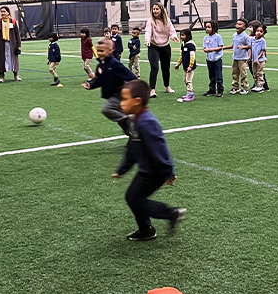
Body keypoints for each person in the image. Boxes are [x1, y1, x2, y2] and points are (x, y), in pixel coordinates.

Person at [112, 79, 185, 241]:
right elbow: (132, 147)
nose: (121, 103)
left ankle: (170, 213)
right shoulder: (136, 120)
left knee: (134, 198)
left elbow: (160, 148)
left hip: (155, 171)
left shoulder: (147, 122)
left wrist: (169, 171)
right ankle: (146, 229)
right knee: (134, 197)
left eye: (124, 99)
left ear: (137, 101)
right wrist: (122, 169)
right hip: (147, 170)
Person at [83, 38, 138, 136]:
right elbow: (99, 80)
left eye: (102, 51)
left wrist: (137, 87)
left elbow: (130, 76)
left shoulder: (114, 64)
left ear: (110, 50)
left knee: (107, 109)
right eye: (98, 50)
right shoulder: (100, 66)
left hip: (119, 94)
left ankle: (126, 119)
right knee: (124, 125)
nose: (99, 53)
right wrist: (90, 84)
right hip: (111, 95)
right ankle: (135, 138)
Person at [144, 2, 180, 98]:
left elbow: (171, 31)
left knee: (166, 68)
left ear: (161, 10)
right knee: (154, 67)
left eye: (157, 9)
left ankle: (167, 86)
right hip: (153, 46)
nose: (155, 11)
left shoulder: (167, 20)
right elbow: (148, 32)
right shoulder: (150, 21)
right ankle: (152, 89)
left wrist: (174, 37)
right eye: (154, 9)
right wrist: (147, 41)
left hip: (165, 46)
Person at [0, 6, 21, 83]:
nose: (2, 13)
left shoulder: (13, 22)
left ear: (8, 12)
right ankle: (1, 76)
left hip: (12, 44)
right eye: (1, 12)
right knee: (1, 60)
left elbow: (17, 34)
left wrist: (18, 45)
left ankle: (16, 75)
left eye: (4, 11)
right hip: (1, 44)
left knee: (13, 59)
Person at [223, 18, 252, 95]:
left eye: (240, 24)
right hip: (235, 57)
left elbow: (249, 46)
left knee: (243, 73)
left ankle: (245, 87)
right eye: (237, 24)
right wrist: (225, 47)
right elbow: (234, 45)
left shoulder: (245, 36)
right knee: (234, 73)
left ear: (244, 27)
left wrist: (243, 47)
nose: (237, 26)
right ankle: (235, 87)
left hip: (242, 58)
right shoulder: (234, 35)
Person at [173, 29, 198, 102]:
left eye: (183, 35)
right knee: (185, 80)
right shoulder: (183, 45)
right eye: (181, 35)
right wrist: (178, 64)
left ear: (188, 36)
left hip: (190, 67)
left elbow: (192, 56)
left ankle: (190, 94)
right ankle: (189, 93)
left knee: (188, 80)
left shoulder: (190, 45)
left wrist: (190, 66)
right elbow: (181, 56)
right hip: (185, 66)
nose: (181, 37)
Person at [202, 21, 224, 97]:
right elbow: (204, 48)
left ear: (213, 28)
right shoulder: (205, 38)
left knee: (218, 75)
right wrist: (206, 50)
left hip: (217, 59)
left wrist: (212, 49)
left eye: (209, 27)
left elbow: (220, 47)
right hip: (209, 59)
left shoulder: (218, 37)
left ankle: (220, 90)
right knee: (211, 75)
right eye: (206, 27)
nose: (207, 29)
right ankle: (212, 89)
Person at [248, 19, 269, 91]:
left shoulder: (262, 39)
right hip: (253, 58)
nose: (249, 29)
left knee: (260, 73)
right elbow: (250, 48)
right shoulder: (252, 38)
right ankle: (256, 84)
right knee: (254, 72)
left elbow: (263, 50)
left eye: (251, 27)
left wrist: (264, 57)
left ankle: (262, 85)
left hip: (259, 59)